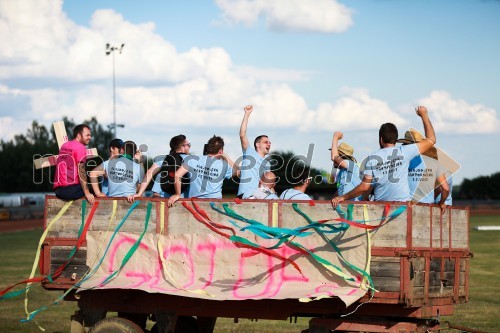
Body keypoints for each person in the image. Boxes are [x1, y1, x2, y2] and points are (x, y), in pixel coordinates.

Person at [331, 106, 436, 208]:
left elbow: (364, 187)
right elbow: (431, 139)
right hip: (402, 207)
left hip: (380, 208)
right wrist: (424, 115)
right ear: (396, 139)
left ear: (381, 139)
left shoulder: (371, 158)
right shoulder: (405, 151)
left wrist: (343, 197)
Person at [168, 136, 240, 206]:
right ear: (220, 150)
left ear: (208, 148)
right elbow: (238, 172)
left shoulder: (192, 159)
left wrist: (177, 194)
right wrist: (225, 156)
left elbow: (177, 175)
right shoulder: (224, 165)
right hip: (215, 205)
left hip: (195, 204)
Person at [128, 135, 191, 202]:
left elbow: (149, 173)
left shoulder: (163, 159)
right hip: (184, 200)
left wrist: (139, 193)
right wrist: (177, 194)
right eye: (188, 145)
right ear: (182, 148)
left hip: (167, 200)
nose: (189, 147)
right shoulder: (191, 160)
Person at [397, 132, 450, 209]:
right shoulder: (435, 163)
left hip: (406, 206)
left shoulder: (402, 161)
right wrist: (441, 203)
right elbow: (445, 189)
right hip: (428, 207)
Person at [53, 124, 94, 204]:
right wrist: (87, 193)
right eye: (87, 135)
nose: (90, 138)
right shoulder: (81, 147)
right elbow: (81, 171)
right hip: (70, 191)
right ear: (79, 135)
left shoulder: (64, 146)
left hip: (58, 190)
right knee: (94, 191)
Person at [237, 105, 271, 199]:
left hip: (259, 196)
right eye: (265, 142)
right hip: (246, 195)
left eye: (269, 143)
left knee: (274, 199)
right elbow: (242, 134)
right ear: (257, 144)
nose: (268, 144)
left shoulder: (267, 164)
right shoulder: (249, 152)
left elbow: (268, 185)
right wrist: (247, 114)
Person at [330, 131, 362, 201]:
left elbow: (334, 157)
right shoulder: (340, 173)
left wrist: (335, 137)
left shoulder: (350, 164)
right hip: (347, 208)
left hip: (355, 208)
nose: (333, 161)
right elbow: (338, 193)